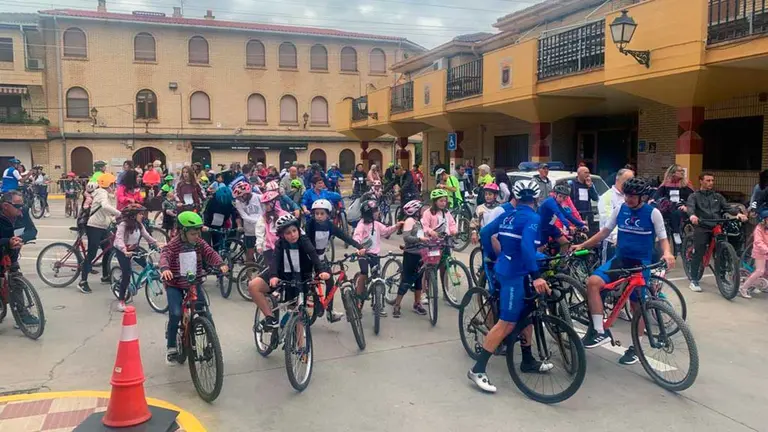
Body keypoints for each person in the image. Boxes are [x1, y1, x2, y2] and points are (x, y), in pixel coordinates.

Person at [572, 177, 675, 365]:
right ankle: (599, 331)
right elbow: (604, 232)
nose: (628, 199)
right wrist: (582, 245)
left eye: (633, 196)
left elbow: (663, 238)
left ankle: (637, 347)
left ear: (643, 197)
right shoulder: (620, 209)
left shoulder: (653, 213)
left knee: (637, 306)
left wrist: (667, 253)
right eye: (627, 195)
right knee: (593, 283)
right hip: (620, 260)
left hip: (640, 264)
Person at [467, 179, 552, 393]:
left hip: (509, 268)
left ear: (516, 197)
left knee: (528, 314)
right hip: (514, 274)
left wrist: (495, 256)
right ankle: (478, 369)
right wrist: (537, 276)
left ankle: (527, 359)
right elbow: (527, 247)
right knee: (506, 323)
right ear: (537, 198)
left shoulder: (508, 214)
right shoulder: (533, 217)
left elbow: (485, 233)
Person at [160, 211, 227, 364]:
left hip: (193, 283)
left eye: (198, 233)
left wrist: (220, 263)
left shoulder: (198, 243)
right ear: (182, 232)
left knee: (204, 312)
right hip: (175, 284)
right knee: (176, 313)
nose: (196, 236)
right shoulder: (174, 245)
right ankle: (171, 346)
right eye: (192, 233)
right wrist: (165, 269)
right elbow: (165, 256)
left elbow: (210, 253)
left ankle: (212, 342)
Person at [248, 214, 330, 331]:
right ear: (282, 235)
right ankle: (270, 318)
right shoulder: (280, 244)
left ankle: (299, 342)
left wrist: (321, 271)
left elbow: (314, 256)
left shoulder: (304, 241)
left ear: (298, 230)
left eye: (294, 231)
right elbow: (275, 260)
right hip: (281, 274)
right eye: (288, 233)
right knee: (253, 286)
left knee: (297, 314)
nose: (292, 235)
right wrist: (273, 276)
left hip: (300, 278)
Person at [686, 172, 747, 292]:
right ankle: (694, 279)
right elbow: (690, 207)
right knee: (699, 251)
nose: (711, 183)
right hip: (702, 226)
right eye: (708, 180)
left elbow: (727, 207)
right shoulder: (694, 196)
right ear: (701, 181)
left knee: (722, 252)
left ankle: (722, 277)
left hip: (717, 226)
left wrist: (738, 213)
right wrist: (692, 216)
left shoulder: (718, 196)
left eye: (712, 180)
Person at [306, 199, 365, 321]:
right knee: (309, 283)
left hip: (322, 257)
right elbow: (307, 244)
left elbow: (344, 236)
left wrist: (359, 246)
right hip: (309, 258)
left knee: (330, 282)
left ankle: (330, 311)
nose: (319, 216)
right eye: (316, 213)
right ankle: (311, 304)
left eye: (322, 213)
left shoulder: (330, 226)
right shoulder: (310, 224)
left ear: (328, 214)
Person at [353, 200, 403, 316]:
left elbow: (385, 231)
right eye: (375, 211)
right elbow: (356, 237)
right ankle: (358, 300)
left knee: (377, 278)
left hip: (374, 255)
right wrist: (359, 248)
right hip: (363, 255)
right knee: (364, 273)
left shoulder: (376, 224)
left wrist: (396, 226)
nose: (377, 212)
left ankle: (378, 305)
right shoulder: (361, 225)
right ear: (368, 213)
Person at [0, 191, 39, 326]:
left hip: (11, 255)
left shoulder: (22, 213)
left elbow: (32, 231)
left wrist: (20, 238)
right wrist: (8, 242)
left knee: (17, 283)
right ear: (5, 206)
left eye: (22, 204)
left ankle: (22, 316)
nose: (21, 208)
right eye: (17, 205)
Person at [79, 173, 120, 294]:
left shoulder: (104, 193)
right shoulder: (102, 193)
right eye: (113, 184)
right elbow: (105, 206)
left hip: (102, 226)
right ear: (108, 184)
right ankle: (82, 281)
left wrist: (113, 219)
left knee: (108, 250)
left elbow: (104, 212)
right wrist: (119, 214)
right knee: (91, 254)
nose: (115, 186)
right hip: (94, 226)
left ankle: (106, 276)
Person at [113, 204, 158, 312]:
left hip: (134, 249)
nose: (142, 216)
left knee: (148, 266)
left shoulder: (139, 225)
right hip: (123, 251)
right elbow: (119, 238)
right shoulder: (123, 225)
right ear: (133, 215)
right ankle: (121, 301)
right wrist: (124, 250)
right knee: (127, 274)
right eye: (140, 214)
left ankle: (139, 283)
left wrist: (156, 244)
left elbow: (147, 236)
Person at [392, 200, 429, 317]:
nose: (423, 211)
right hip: (411, 254)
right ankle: (397, 305)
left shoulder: (419, 221)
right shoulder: (409, 221)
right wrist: (420, 240)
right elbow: (407, 237)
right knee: (406, 280)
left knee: (418, 279)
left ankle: (417, 303)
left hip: (421, 253)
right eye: (421, 209)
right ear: (415, 211)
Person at [652, 164, 693, 248]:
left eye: (683, 171)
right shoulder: (666, 183)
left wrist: (687, 206)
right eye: (680, 171)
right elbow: (657, 195)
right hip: (668, 206)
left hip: (681, 207)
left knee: (676, 213)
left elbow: (692, 197)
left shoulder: (687, 184)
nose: (682, 172)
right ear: (673, 173)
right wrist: (652, 200)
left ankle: (676, 233)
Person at [597, 168, 634, 263]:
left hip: (629, 241)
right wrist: (616, 237)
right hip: (612, 241)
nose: (629, 184)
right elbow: (608, 220)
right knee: (609, 269)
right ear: (617, 180)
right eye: (627, 181)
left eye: (631, 181)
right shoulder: (607, 197)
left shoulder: (630, 197)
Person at [539, 183, 585, 252]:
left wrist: (581, 225)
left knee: (565, 243)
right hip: (541, 228)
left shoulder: (557, 203)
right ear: (555, 194)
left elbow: (567, 215)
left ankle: (561, 259)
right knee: (541, 248)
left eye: (564, 197)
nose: (561, 199)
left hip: (550, 226)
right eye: (560, 196)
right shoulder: (550, 201)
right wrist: (568, 226)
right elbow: (559, 214)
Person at [233, 181, 263, 263]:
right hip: (249, 231)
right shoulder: (238, 202)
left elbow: (265, 210)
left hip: (262, 229)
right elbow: (244, 216)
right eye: (238, 197)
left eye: (241, 196)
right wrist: (259, 221)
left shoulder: (258, 197)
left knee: (263, 251)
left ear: (247, 193)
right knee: (249, 253)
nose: (239, 199)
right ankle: (249, 269)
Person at [740, 209, 768, 298]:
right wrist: (766, 250)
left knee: (764, 272)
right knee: (760, 270)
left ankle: (759, 284)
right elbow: (758, 242)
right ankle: (743, 288)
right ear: (763, 220)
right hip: (760, 252)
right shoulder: (759, 229)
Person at [568, 166, 599, 233]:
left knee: (588, 234)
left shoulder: (590, 184)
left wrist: (590, 186)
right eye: (585, 172)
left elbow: (595, 198)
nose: (588, 174)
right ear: (579, 173)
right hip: (576, 214)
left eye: (588, 172)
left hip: (587, 214)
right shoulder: (572, 184)